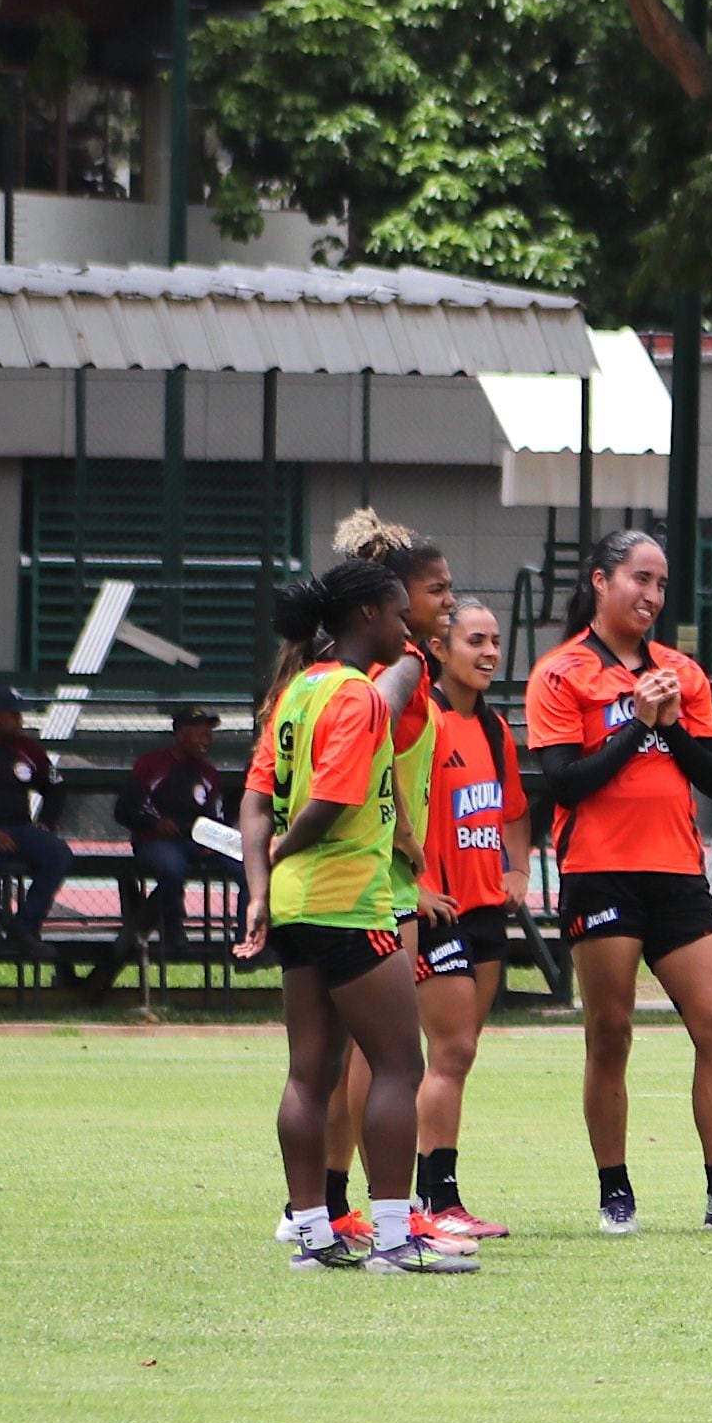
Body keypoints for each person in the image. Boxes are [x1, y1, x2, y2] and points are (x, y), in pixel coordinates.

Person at [524, 529, 712, 1235]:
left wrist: (668, 723)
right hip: (600, 871)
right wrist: (633, 724)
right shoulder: (561, 673)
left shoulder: (681, 672)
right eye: (640, 579)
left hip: (677, 873)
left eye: (661, 584)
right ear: (601, 581)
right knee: (610, 1032)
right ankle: (616, 1190)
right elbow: (564, 783)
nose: (651, 595)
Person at [237, 559, 455, 1273]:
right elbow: (328, 803)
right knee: (400, 1063)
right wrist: (286, 843)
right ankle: (396, 1241)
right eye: (397, 614)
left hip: (297, 903)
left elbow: (255, 795)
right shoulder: (358, 696)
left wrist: (263, 881)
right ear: (367, 617)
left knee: (310, 1073)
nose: (404, 627)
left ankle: (312, 1238)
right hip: (346, 900)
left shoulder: (297, 692)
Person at [317, 514, 456, 1237]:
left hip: (374, 874)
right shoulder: (388, 676)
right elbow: (377, 771)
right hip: (380, 878)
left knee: (342, 1058)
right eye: (435, 591)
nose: (447, 604)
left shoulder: (368, 672)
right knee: (385, 1054)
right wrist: (411, 853)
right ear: (393, 600)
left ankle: (326, 1206)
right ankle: (381, 1211)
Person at [411, 599, 528, 1245]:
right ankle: (431, 1198)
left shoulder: (493, 728)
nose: (488, 652)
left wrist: (518, 870)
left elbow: (514, 809)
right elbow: (392, 800)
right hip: (437, 909)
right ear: (439, 649)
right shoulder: (419, 719)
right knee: (446, 1052)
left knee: (459, 1053)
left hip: (484, 909)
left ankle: (439, 1195)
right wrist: (417, 884)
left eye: (495, 641)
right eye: (474, 640)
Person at [114, 703, 228, 962]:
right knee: (172, 866)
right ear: (180, 735)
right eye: (198, 734)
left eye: (208, 735)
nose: (205, 741)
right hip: (157, 841)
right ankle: (174, 931)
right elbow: (124, 810)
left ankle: (249, 938)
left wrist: (214, 840)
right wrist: (155, 824)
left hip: (200, 840)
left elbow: (216, 816)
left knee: (246, 863)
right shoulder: (151, 765)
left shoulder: (209, 774)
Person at [0, 684, 69, 952]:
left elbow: (56, 786)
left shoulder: (28, 749)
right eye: (13, 715)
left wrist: (46, 822)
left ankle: (25, 927)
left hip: (20, 828)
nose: (19, 721)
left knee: (58, 854)